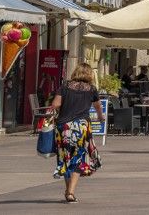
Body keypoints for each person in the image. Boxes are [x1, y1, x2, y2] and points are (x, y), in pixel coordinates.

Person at [50, 62, 103, 203]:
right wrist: (101, 117)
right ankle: (70, 193)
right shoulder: (92, 89)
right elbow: (98, 107)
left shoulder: (65, 86)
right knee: (78, 158)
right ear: (89, 74)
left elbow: (55, 105)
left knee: (65, 158)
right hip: (81, 127)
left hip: (63, 127)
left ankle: (68, 191)